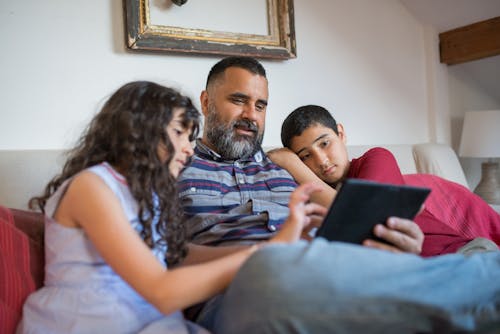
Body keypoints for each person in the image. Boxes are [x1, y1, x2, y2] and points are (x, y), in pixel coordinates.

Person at [17, 81, 324, 333]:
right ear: (140, 130)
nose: (190, 148)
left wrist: (281, 245)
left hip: (148, 321)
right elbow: (162, 291)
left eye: (191, 137)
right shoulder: (91, 187)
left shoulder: (146, 194)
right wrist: (263, 254)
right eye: (179, 133)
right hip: (91, 321)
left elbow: (178, 255)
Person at [177, 56, 430, 328]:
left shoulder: (286, 167)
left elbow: (336, 229)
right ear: (205, 102)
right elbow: (164, 253)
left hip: (320, 276)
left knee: (471, 272)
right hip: (237, 290)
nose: (251, 115)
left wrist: (389, 247)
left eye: (260, 105)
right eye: (239, 101)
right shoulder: (175, 165)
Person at [269, 104, 500, 257]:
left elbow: (361, 214)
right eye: (305, 156)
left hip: (462, 255)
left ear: (341, 133)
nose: (321, 160)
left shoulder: (376, 158)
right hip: (410, 280)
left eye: (325, 143)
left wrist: (292, 163)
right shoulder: (306, 200)